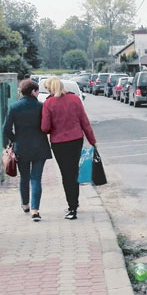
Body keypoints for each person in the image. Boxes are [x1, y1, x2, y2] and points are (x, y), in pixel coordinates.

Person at [41, 76, 96, 220]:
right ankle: (74, 203)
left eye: (47, 88)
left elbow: (45, 127)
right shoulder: (75, 100)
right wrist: (92, 140)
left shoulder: (49, 103)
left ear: (51, 88)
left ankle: (72, 207)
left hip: (59, 143)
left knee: (66, 174)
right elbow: (85, 122)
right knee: (74, 172)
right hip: (76, 140)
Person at [2, 79, 52, 222]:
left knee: (24, 177)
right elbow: (46, 126)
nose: (38, 94)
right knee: (36, 178)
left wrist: (15, 139)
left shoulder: (14, 107)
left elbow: (5, 129)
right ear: (33, 91)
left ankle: (25, 204)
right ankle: (35, 210)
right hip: (39, 147)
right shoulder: (41, 107)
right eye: (37, 91)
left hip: (21, 147)